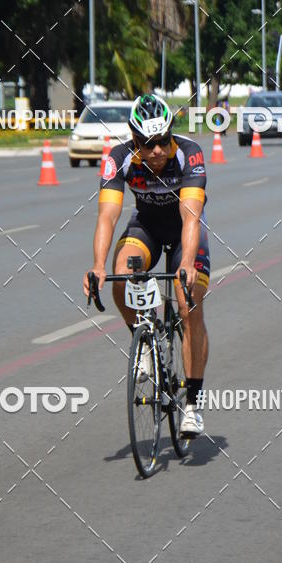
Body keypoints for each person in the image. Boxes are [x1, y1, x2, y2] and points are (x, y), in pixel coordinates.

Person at [83, 94, 210, 437]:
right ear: (133, 139)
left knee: (188, 305)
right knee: (121, 273)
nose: (157, 151)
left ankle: (194, 405)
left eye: (163, 140)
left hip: (185, 229)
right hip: (148, 226)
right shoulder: (119, 157)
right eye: (148, 143)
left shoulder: (189, 153)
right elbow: (107, 216)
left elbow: (191, 215)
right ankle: (145, 342)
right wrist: (97, 265)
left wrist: (186, 263)